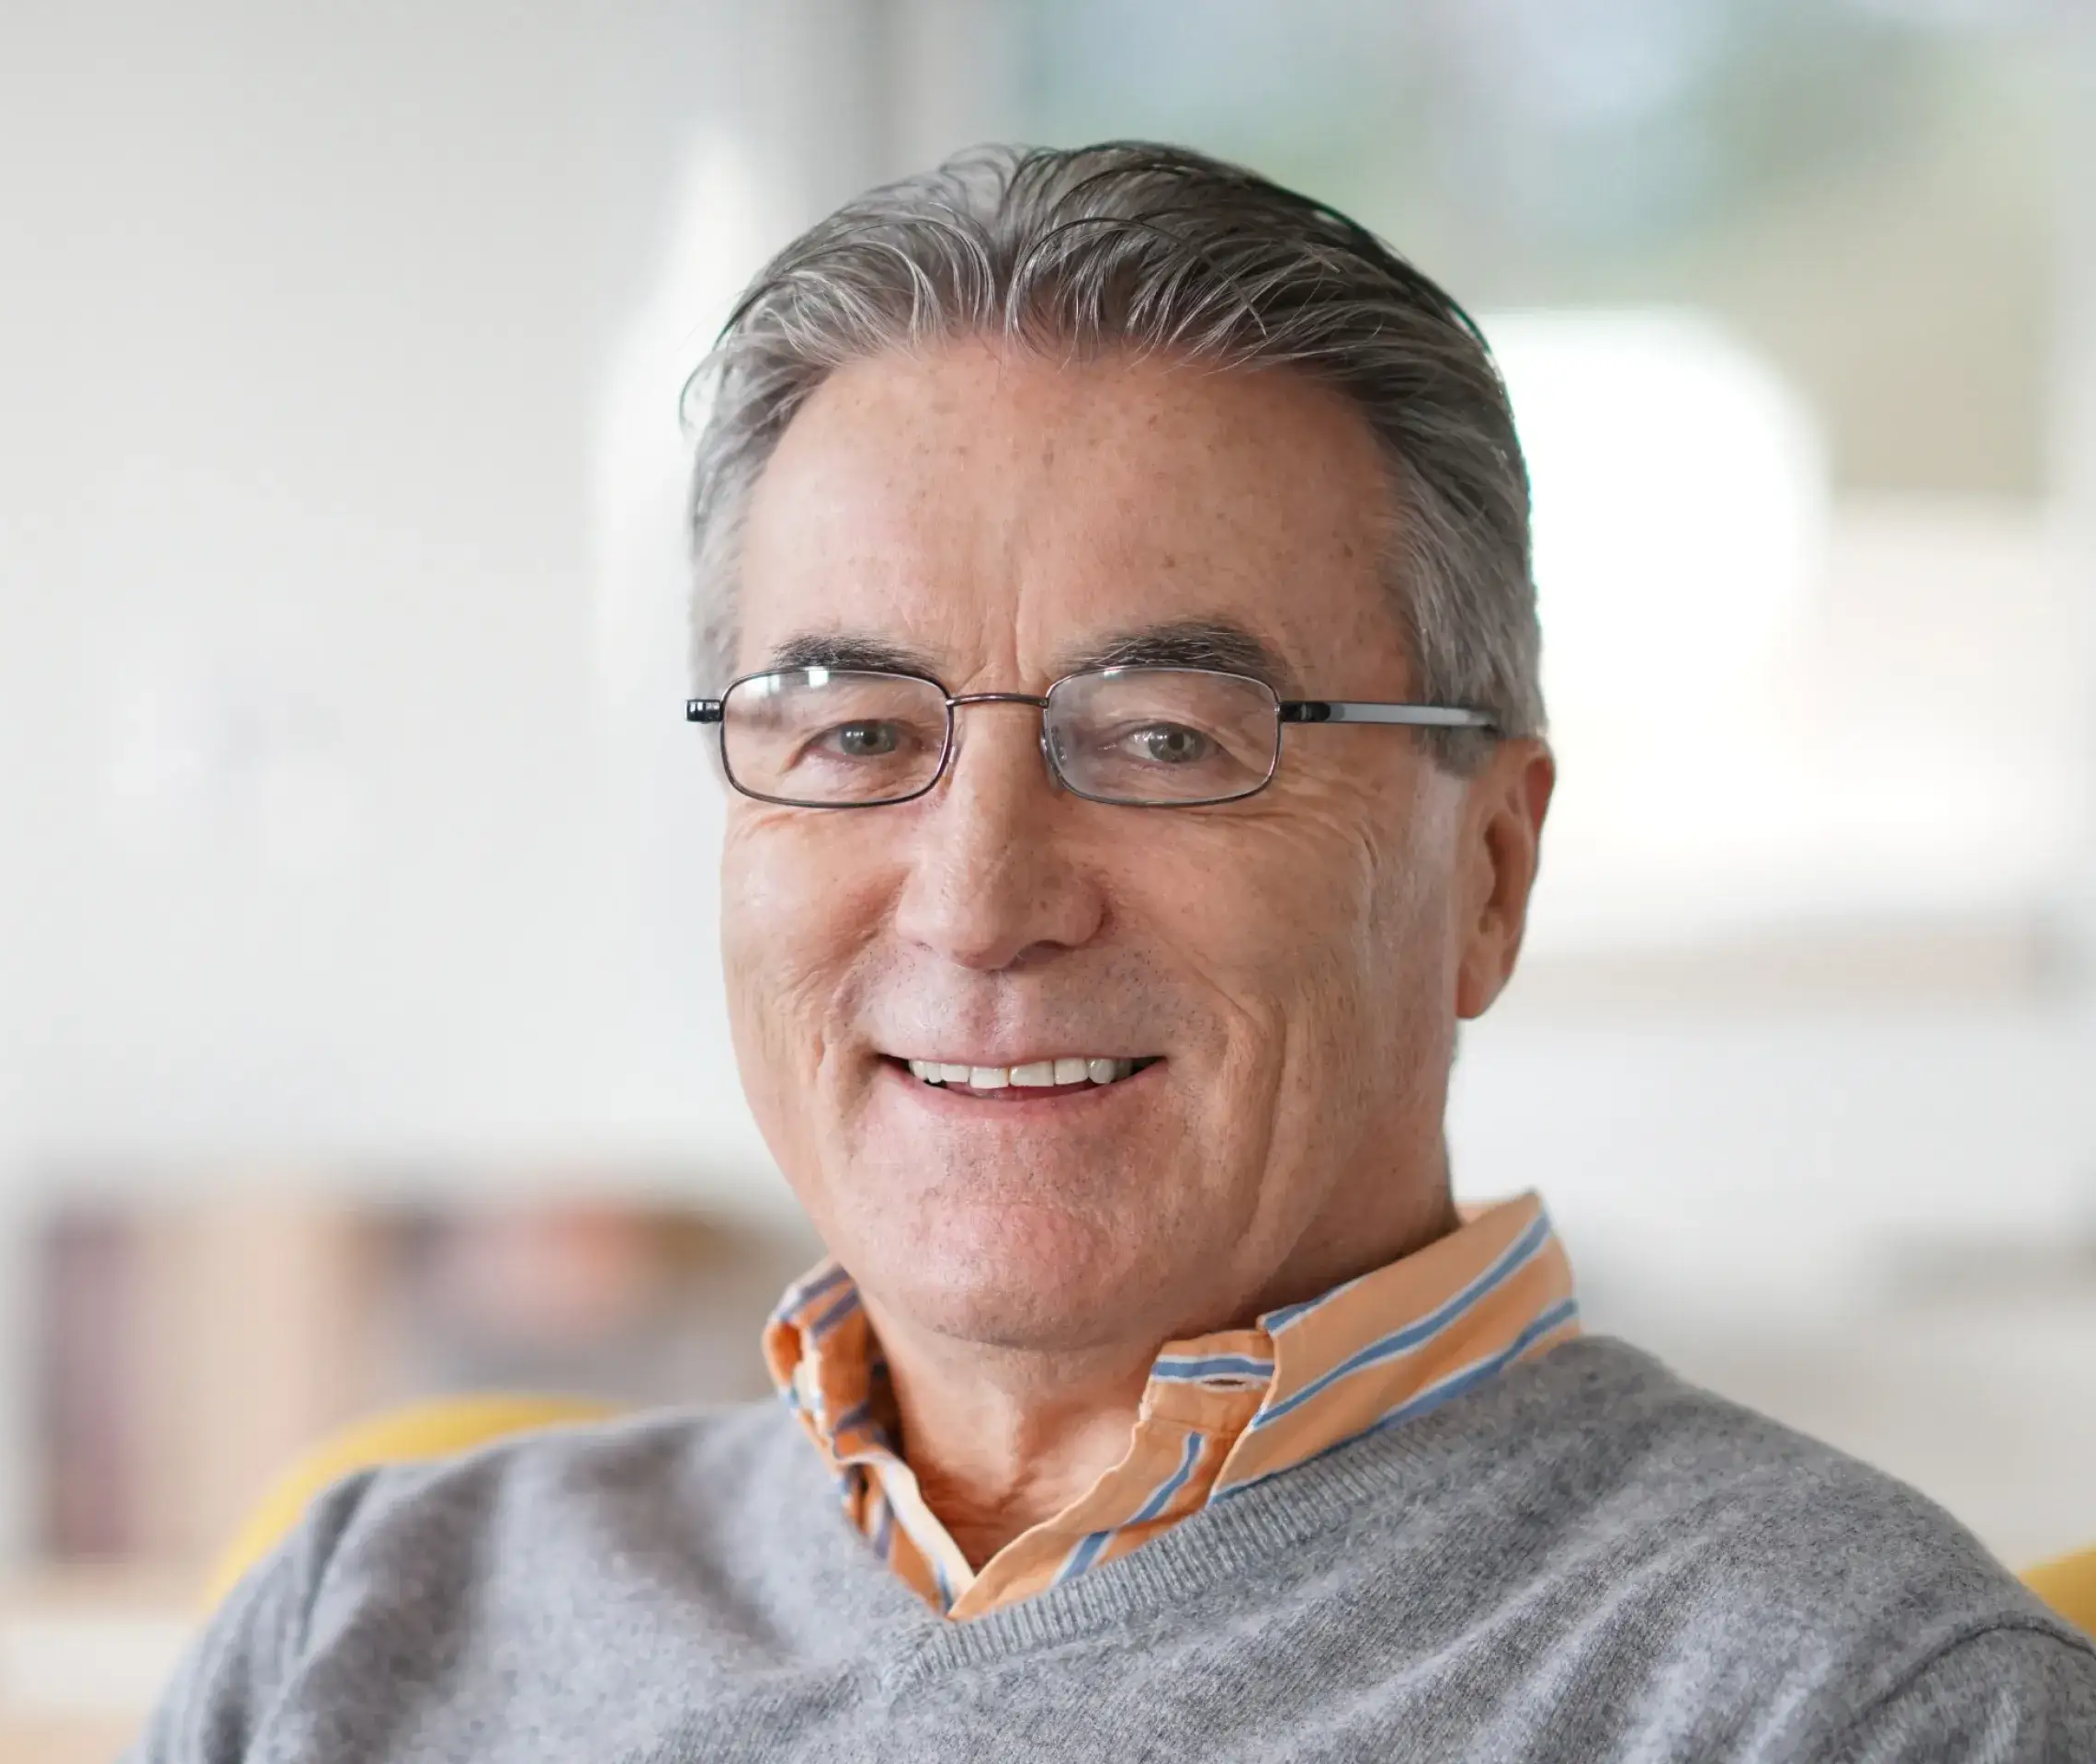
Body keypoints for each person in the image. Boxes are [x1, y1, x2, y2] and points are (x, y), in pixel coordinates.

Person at [129, 141, 2096, 1761]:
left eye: (1166, 739)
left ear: (1489, 871)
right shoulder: (368, 1623)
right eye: (855, 733)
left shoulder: (1843, 1706)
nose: (981, 900)